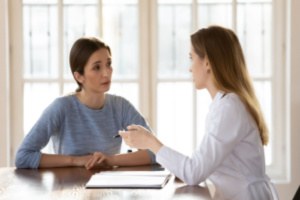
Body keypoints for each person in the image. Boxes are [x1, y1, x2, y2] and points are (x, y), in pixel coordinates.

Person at [119, 26, 279, 200]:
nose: (190, 68)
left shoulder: (229, 107)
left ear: (208, 63)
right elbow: (200, 165)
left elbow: (194, 172)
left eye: (191, 58)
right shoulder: (225, 104)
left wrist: (151, 142)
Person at [15, 37, 155, 169]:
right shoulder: (61, 108)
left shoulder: (121, 107)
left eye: (108, 64)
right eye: (97, 67)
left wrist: (110, 160)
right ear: (79, 76)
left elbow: (156, 152)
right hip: (67, 189)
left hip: (108, 190)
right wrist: (76, 160)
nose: (106, 73)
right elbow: (23, 156)